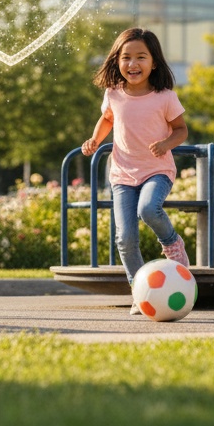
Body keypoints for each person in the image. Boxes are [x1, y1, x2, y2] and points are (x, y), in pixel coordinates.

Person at [81, 27, 191, 315]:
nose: (133, 64)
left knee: (148, 210)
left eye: (141, 57)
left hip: (157, 171)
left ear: (154, 62)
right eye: (126, 57)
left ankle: (172, 243)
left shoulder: (164, 96)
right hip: (122, 175)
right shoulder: (113, 94)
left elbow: (181, 130)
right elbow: (106, 119)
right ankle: (139, 291)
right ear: (117, 61)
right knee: (124, 237)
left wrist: (166, 142)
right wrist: (95, 140)